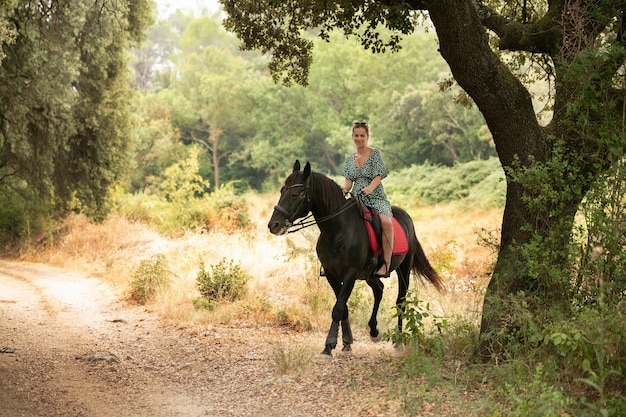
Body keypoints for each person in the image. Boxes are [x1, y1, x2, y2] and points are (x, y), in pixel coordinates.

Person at [341, 121, 394, 278]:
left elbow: (379, 175)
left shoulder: (374, 154)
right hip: (357, 198)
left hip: (376, 197)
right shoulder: (350, 159)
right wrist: (343, 190)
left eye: (362, 135)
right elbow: (349, 181)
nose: (359, 138)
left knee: (386, 223)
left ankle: (386, 263)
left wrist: (370, 188)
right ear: (352, 137)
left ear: (367, 137)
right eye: (356, 135)